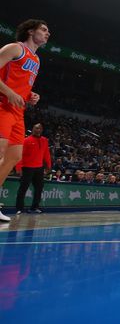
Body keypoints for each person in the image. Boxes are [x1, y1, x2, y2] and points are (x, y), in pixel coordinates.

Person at [0, 19, 48, 222]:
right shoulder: (14, 48)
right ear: (30, 31)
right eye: (44, 30)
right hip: (2, 105)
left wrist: (30, 96)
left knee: (13, 157)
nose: (47, 34)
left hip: (18, 112)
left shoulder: (36, 60)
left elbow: (21, 87)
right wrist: (9, 92)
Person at [14, 123, 50, 214]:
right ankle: (19, 208)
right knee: (23, 189)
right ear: (33, 129)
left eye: (40, 129)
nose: (38, 130)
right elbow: (19, 155)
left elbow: (46, 154)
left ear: (42, 130)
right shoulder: (26, 140)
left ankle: (34, 207)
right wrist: (18, 168)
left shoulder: (44, 140)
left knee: (39, 188)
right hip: (27, 168)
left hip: (39, 168)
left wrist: (48, 166)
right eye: (36, 128)